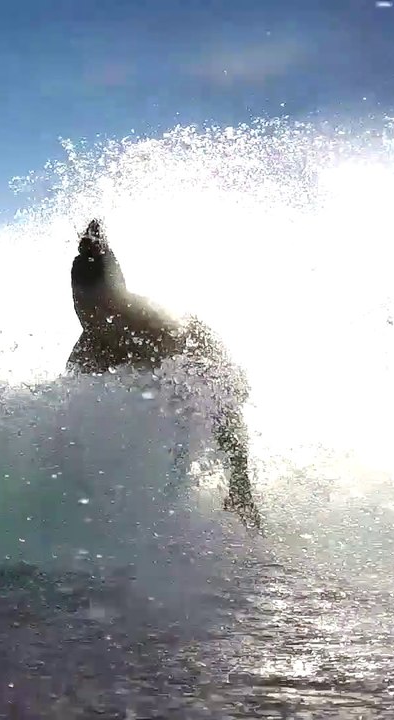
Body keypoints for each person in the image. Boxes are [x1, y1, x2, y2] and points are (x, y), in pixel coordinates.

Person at [65, 218, 260, 529]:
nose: (95, 317)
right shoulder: (90, 344)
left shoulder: (153, 322)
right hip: (167, 372)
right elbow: (70, 405)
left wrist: (239, 480)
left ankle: (238, 492)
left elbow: (219, 395)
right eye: (85, 310)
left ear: (117, 294)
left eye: (102, 306)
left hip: (204, 357)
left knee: (214, 407)